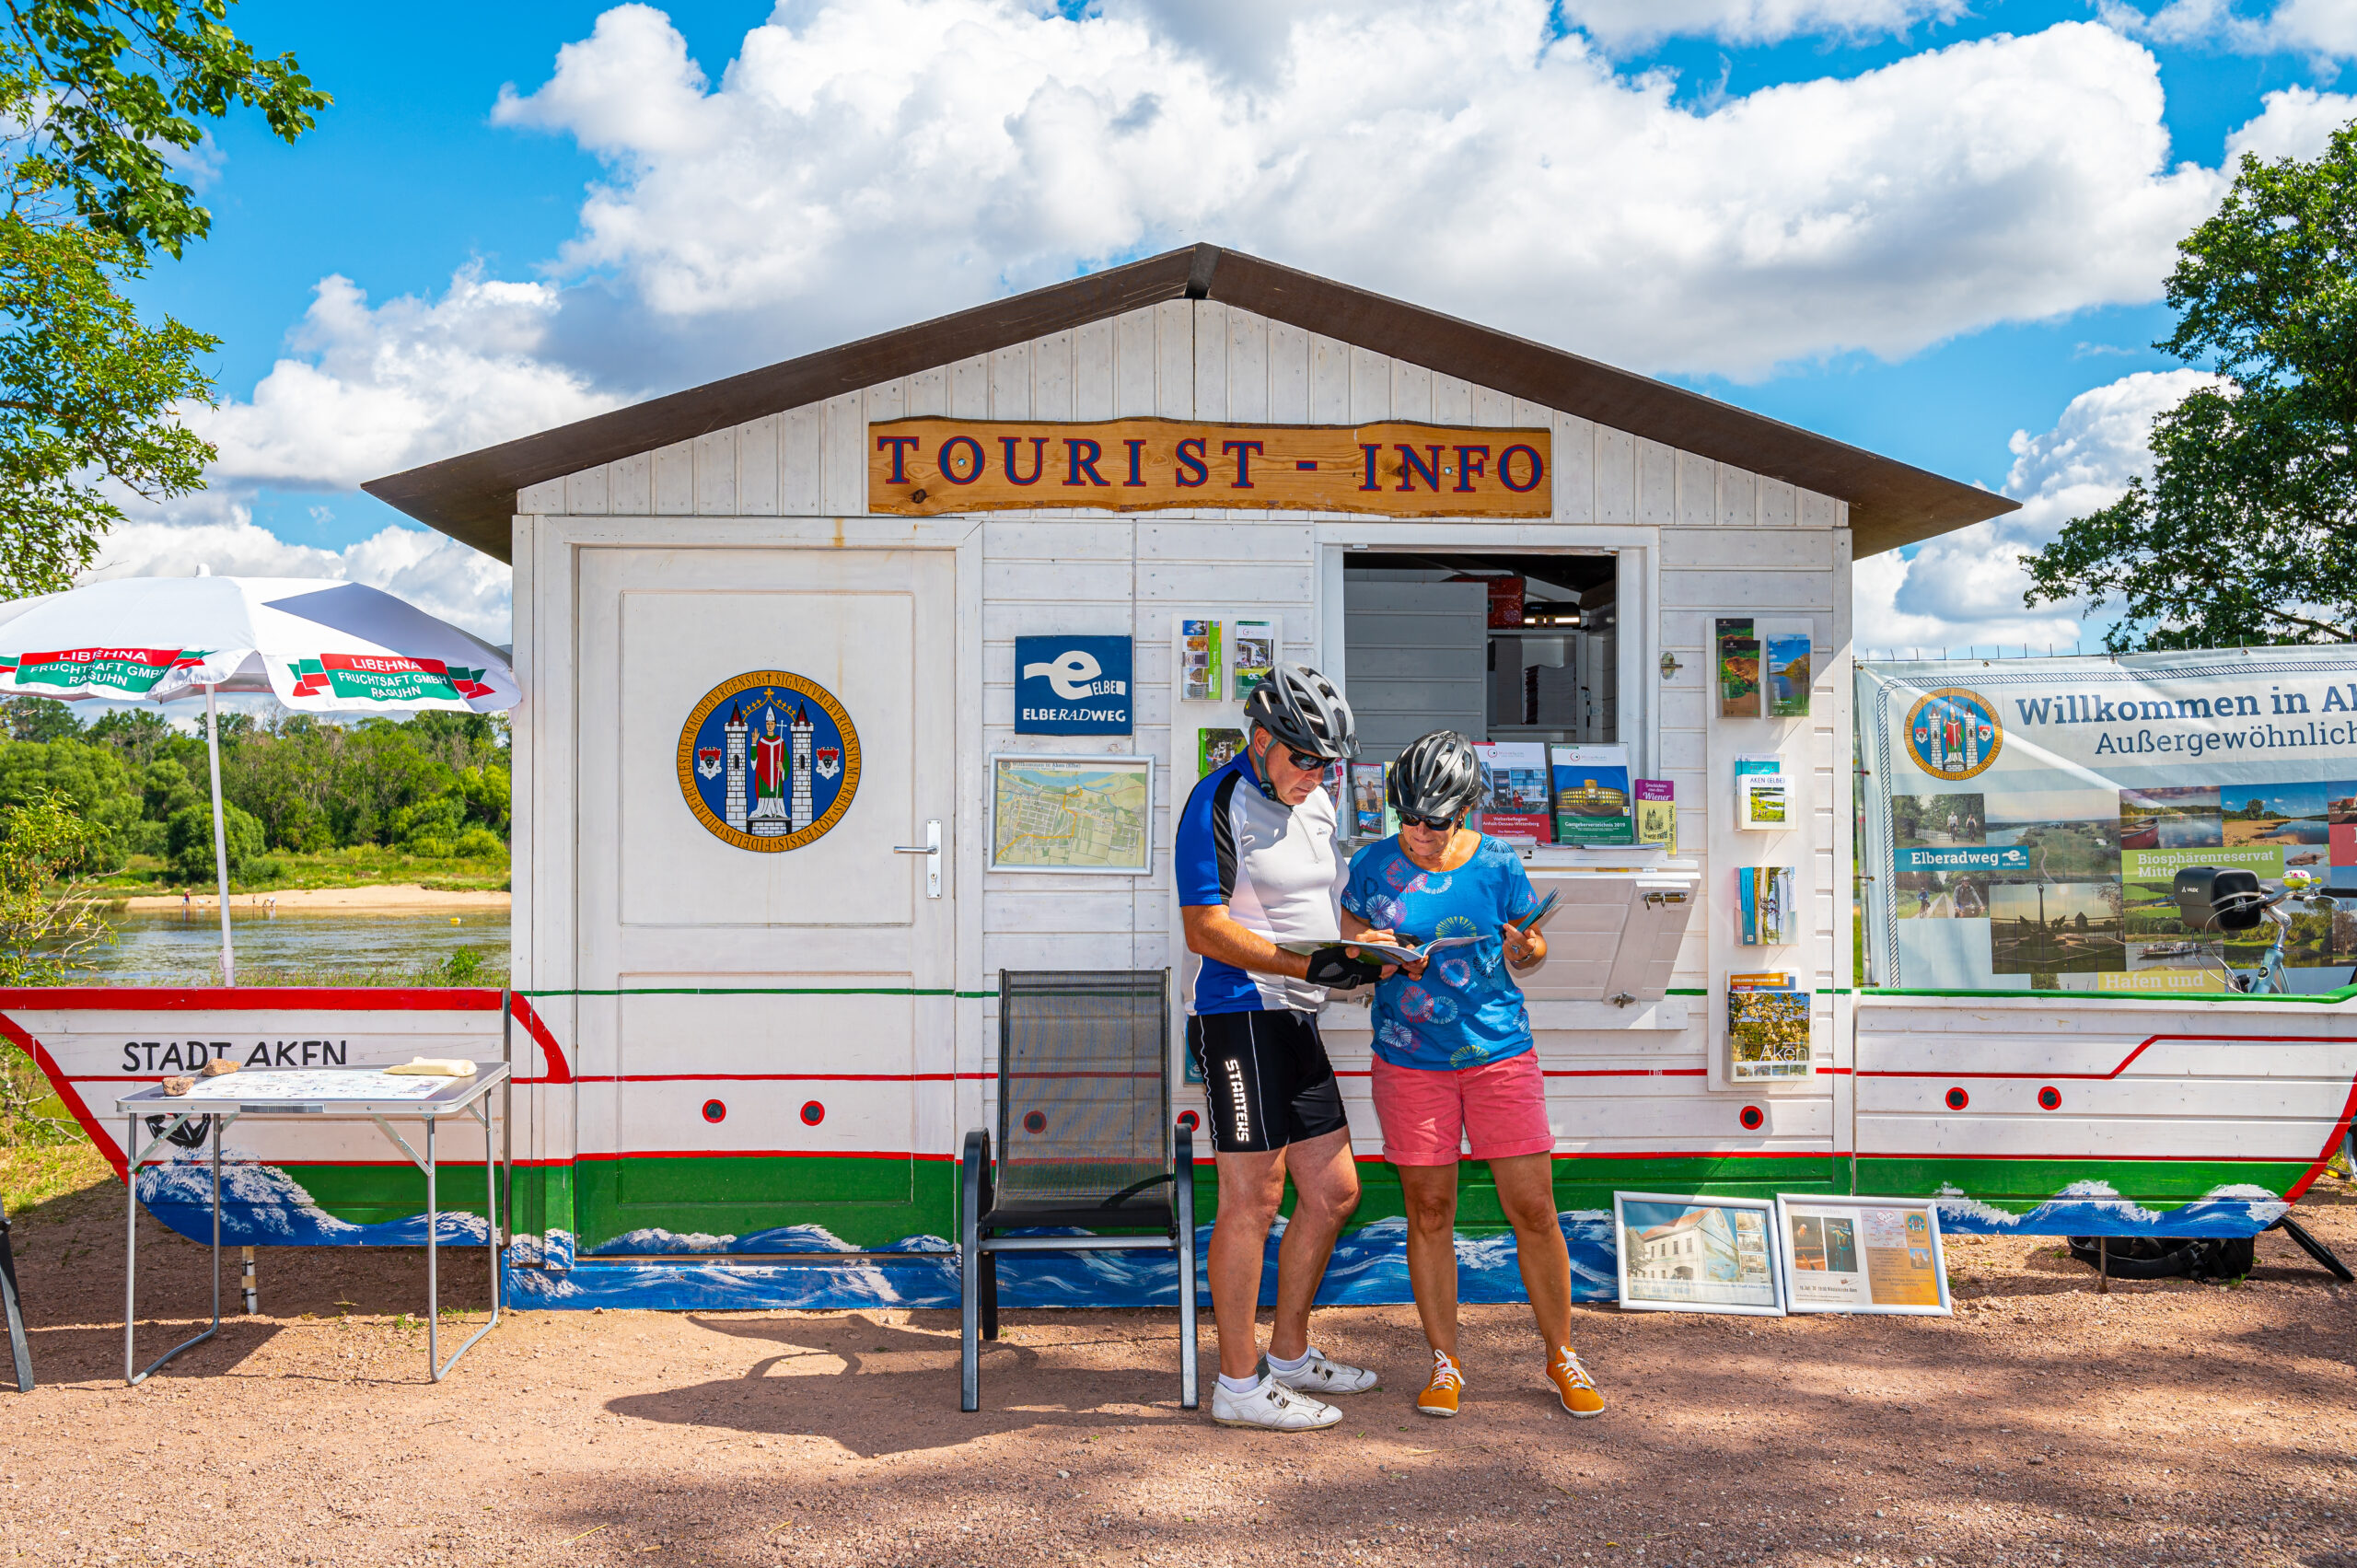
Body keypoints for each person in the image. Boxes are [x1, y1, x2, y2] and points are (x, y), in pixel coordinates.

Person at [1338, 729, 1603, 1422]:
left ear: (1467, 810)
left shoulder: (1495, 862)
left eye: (1437, 820)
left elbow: (1531, 940)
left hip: (1498, 1056)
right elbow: (1349, 947)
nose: (1421, 833)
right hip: (1408, 1060)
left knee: (1534, 1210)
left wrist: (1528, 943)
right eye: (1410, 818)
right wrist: (1381, 954)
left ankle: (1562, 1355)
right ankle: (1444, 1362)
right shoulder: (1370, 867)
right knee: (1429, 1213)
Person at [1177, 663, 1389, 1432]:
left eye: (1326, 763)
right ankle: (1238, 1383)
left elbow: (1324, 908)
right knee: (1254, 1197)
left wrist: (1371, 948)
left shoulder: (1320, 802)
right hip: (1238, 1013)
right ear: (1261, 740)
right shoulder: (1217, 800)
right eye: (1303, 758)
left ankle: (1291, 1355)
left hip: (1298, 1013)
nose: (1316, 775)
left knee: (1333, 1191)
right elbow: (1204, 928)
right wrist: (1306, 963)